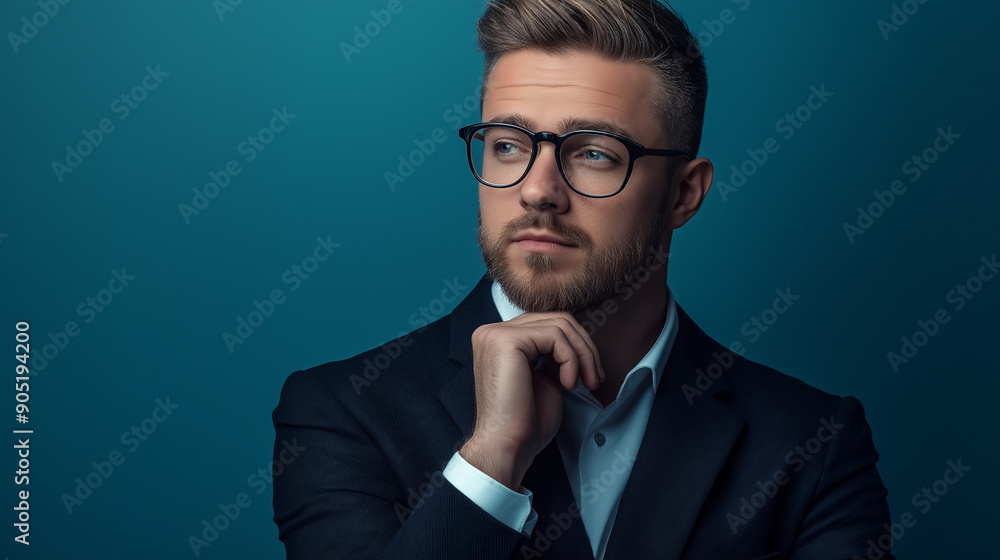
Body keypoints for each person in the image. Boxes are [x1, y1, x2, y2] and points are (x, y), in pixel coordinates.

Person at [272, 1, 893, 558]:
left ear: (684, 193)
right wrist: (491, 460)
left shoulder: (812, 440)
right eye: (509, 145)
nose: (537, 191)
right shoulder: (343, 413)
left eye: (594, 152)